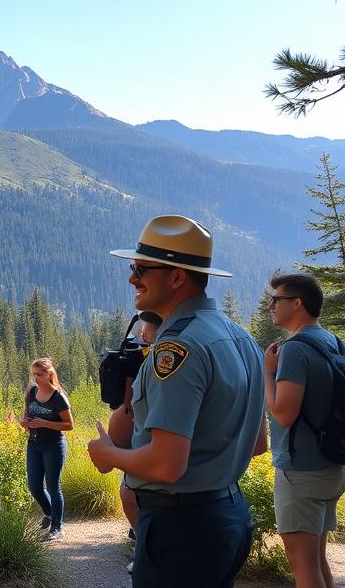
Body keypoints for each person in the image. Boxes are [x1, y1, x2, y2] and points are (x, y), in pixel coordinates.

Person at [88, 214, 267, 588]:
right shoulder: (241, 338)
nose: (131, 277)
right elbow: (258, 444)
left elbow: (167, 465)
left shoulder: (177, 349)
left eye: (141, 269)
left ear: (176, 276)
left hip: (182, 530)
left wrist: (108, 455)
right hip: (227, 516)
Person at [263, 272, 345, 588]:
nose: (270, 304)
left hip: (300, 471)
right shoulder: (332, 341)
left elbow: (283, 414)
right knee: (316, 561)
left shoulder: (295, 349)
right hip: (330, 466)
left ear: (297, 303)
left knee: (302, 566)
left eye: (276, 299)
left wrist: (267, 373)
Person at [105, 311, 162, 575]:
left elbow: (125, 409)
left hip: (154, 466)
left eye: (146, 333)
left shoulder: (162, 362)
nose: (142, 338)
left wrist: (109, 454)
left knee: (129, 492)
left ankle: (144, 547)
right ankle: (142, 543)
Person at [21, 357, 73, 541]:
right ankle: (50, 513)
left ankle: (56, 527)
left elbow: (69, 425)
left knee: (53, 486)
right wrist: (24, 422)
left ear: (49, 374)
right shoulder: (31, 390)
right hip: (34, 444)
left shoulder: (58, 397)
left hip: (54, 445)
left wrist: (44, 423)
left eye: (39, 375)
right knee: (34, 486)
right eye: (33, 374)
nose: (35, 378)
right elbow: (27, 412)